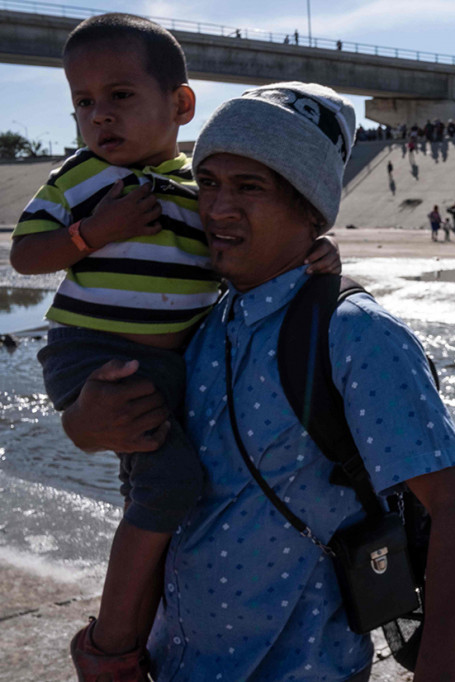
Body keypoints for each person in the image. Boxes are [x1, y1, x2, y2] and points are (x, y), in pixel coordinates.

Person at [59, 81, 455, 682]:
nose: (216, 209)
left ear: (309, 207)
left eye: (249, 187)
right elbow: (128, 435)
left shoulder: (354, 334)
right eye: (208, 183)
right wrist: (81, 424)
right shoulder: (204, 319)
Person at [9, 17, 341, 680]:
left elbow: (239, 253)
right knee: (170, 482)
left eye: (120, 96)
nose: (98, 115)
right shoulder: (80, 179)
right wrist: (88, 235)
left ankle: (153, 624)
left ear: (180, 106)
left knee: (163, 490)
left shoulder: (199, 189)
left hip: (171, 363)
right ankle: (110, 646)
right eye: (83, 102)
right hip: (91, 353)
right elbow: (24, 255)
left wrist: (316, 252)